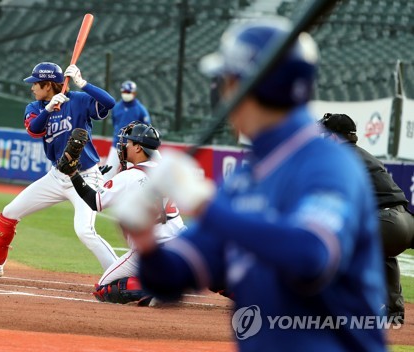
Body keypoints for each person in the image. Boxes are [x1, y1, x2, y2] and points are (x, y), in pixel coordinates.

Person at [114, 18, 388, 351]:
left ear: (250, 86)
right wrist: (144, 240)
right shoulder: (248, 178)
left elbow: (310, 254)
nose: (222, 91)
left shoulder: (329, 165)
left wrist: (204, 205)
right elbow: (170, 279)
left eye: (227, 80)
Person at [0, 62, 118, 280]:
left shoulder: (77, 100)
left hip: (84, 177)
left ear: (48, 85)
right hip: (56, 177)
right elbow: (34, 130)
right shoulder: (35, 107)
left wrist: (83, 83)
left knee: (85, 231)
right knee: (9, 213)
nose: (32, 88)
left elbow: (109, 103)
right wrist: (48, 110)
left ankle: (118, 276)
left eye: (36, 84)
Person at [57, 121, 186, 305]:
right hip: (182, 244)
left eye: (129, 142)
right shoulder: (167, 170)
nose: (124, 145)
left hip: (150, 249)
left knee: (104, 289)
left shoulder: (130, 176)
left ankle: (158, 288)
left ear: (139, 148)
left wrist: (73, 174)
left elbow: (95, 202)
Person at [320, 112, 414, 324]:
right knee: (384, 252)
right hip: (405, 222)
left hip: (386, 221)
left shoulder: (338, 156)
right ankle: (393, 311)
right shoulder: (363, 154)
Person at [102, 80, 151, 181]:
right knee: (108, 172)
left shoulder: (140, 109)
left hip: (132, 147)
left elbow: (147, 128)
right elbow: (115, 122)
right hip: (117, 145)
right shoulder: (117, 107)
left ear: (134, 93)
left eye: (128, 92)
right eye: (124, 92)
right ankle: (103, 194)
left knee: (131, 175)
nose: (126, 94)